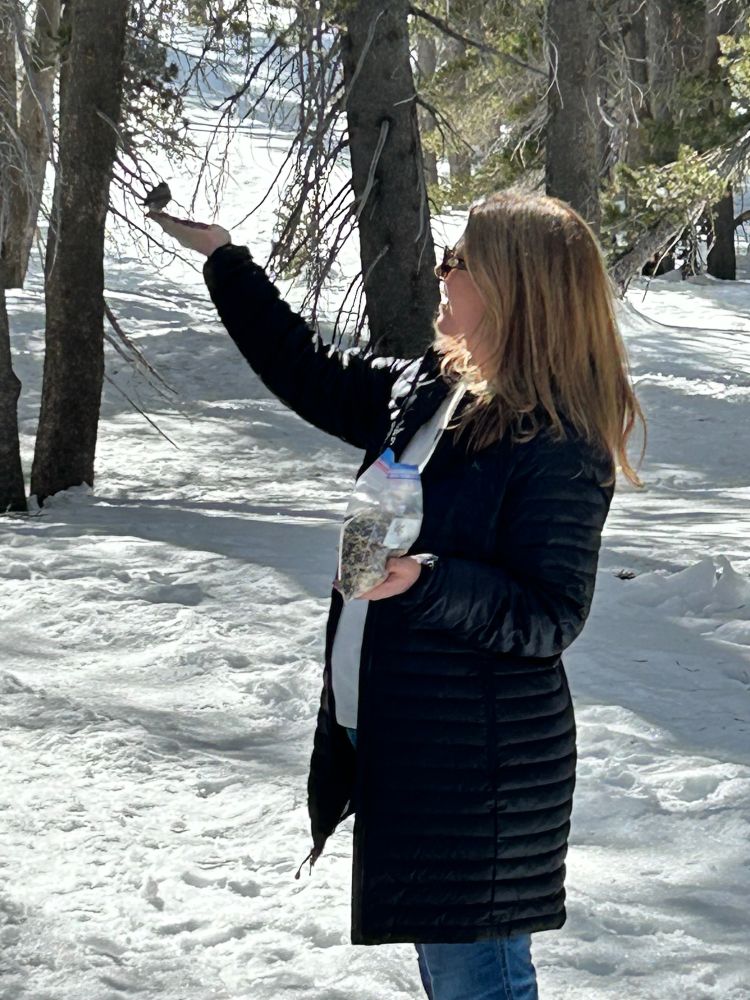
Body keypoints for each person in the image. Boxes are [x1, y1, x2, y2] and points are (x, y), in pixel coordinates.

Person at [148, 192, 645, 1000]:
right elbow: (304, 367)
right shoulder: (433, 389)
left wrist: (427, 580)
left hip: (477, 765)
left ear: (514, 287)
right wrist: (225, 258)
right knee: (462, 972)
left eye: (459, 261)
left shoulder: (557, 437)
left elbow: (550, 612)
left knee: (476, 977)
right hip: (411, 744)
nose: (440, 273)